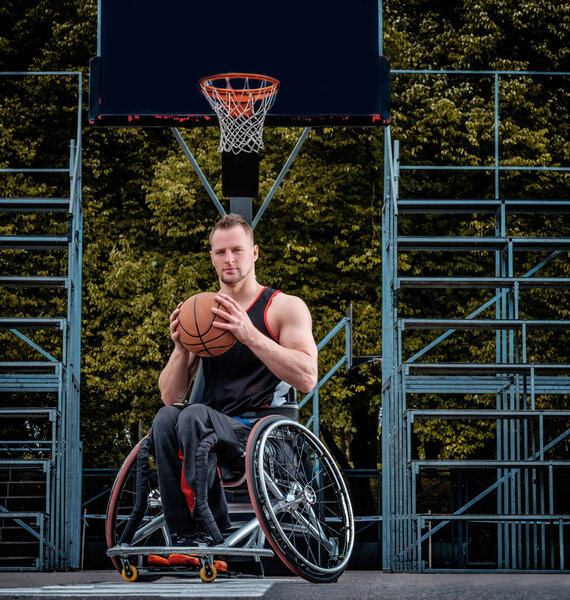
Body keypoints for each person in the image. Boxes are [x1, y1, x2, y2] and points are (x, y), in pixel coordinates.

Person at [151, 213, 318, 548]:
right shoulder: (203, 314)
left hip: (265, 434)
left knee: (194, 417)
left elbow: (307, 378)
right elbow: (170, 396)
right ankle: (183, 536)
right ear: (211, 257)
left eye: (237, 250)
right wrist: (181, 348)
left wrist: (250, 335)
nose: (229, 259)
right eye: (220, 252)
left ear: (254, 253)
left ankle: (213, 532)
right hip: (207, 430)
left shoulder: (283, 307)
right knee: (168, 417)